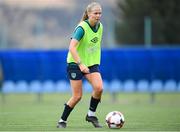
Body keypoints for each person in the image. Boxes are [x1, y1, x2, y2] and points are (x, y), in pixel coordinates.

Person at [57, 2, 104, 128]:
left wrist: (90, 62)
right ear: (88, 14)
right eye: (95, 13)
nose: (98, 15)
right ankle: (62, 120)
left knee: (99, 88)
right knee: (77, 96)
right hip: (75, 63)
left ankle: (91, 115)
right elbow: (72, 47)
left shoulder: (100, 27)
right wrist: (81, 64)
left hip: (91, 63)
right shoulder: (81, 28)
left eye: (100, 13)